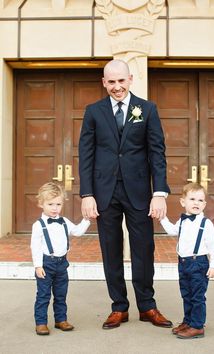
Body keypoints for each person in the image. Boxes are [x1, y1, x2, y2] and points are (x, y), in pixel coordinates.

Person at [79, 59, 172, 329]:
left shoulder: (147, 109)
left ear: (130, 79)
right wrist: (87, 193)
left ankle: (147, 306)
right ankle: (119, 307)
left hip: (140, 192)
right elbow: (86, 154)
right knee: (111, 249)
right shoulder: (93, 111)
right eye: (111, 82)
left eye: (121, 81)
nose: (117, 87)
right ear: (104, 82)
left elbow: (157, 152)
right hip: (104, 192)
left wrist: (160, 192)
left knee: (144, 248)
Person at [160, 182, 214, 339]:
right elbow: (172, 231)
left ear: (205, 204)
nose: (196, 203)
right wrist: (162, 218)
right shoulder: (183, 221)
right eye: (192, 199)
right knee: (186, 294)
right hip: (184, 263)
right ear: (183, 202)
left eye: (200, 200)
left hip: (199, 264)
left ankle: (197, 326)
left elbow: (213, 247)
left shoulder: (206, 224)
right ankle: (188, 321)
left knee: (197, 296)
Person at [31, 182, 90, 335]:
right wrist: (38, 266)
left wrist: (87, 220)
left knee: (61, 294)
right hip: (46, 264)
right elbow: (35, 246)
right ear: (41, 204)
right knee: (43, 295)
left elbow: (77, 232)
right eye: (50, 204)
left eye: (58, 204)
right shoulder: (38, 225)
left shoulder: (64, 221)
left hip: (62, 263)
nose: (54, 208)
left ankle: (60, 320)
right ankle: (41, 322)